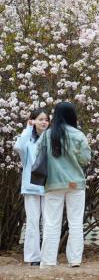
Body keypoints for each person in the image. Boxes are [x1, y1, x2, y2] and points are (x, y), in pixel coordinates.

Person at [38, 102, 91, 268]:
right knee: (75, 223)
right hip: (75, 184)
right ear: (72, 115)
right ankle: (75, 260)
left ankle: (48, 261)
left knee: (51, 223)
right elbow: (85, 159)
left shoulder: (47, 135)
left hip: (53, 183)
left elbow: (38, 155)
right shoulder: (79, 135)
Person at [13, 109, 49, 266]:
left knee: (49, 222)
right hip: (31, 186)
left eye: (46, 119)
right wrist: (28, 128)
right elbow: (19, 147)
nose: (44, 122)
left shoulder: (50, 138)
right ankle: (33, 257)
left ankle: (47, 256)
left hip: (49, 185)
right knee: (33, 222)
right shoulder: (27, 139)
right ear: (33, 121)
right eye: (40, 119)